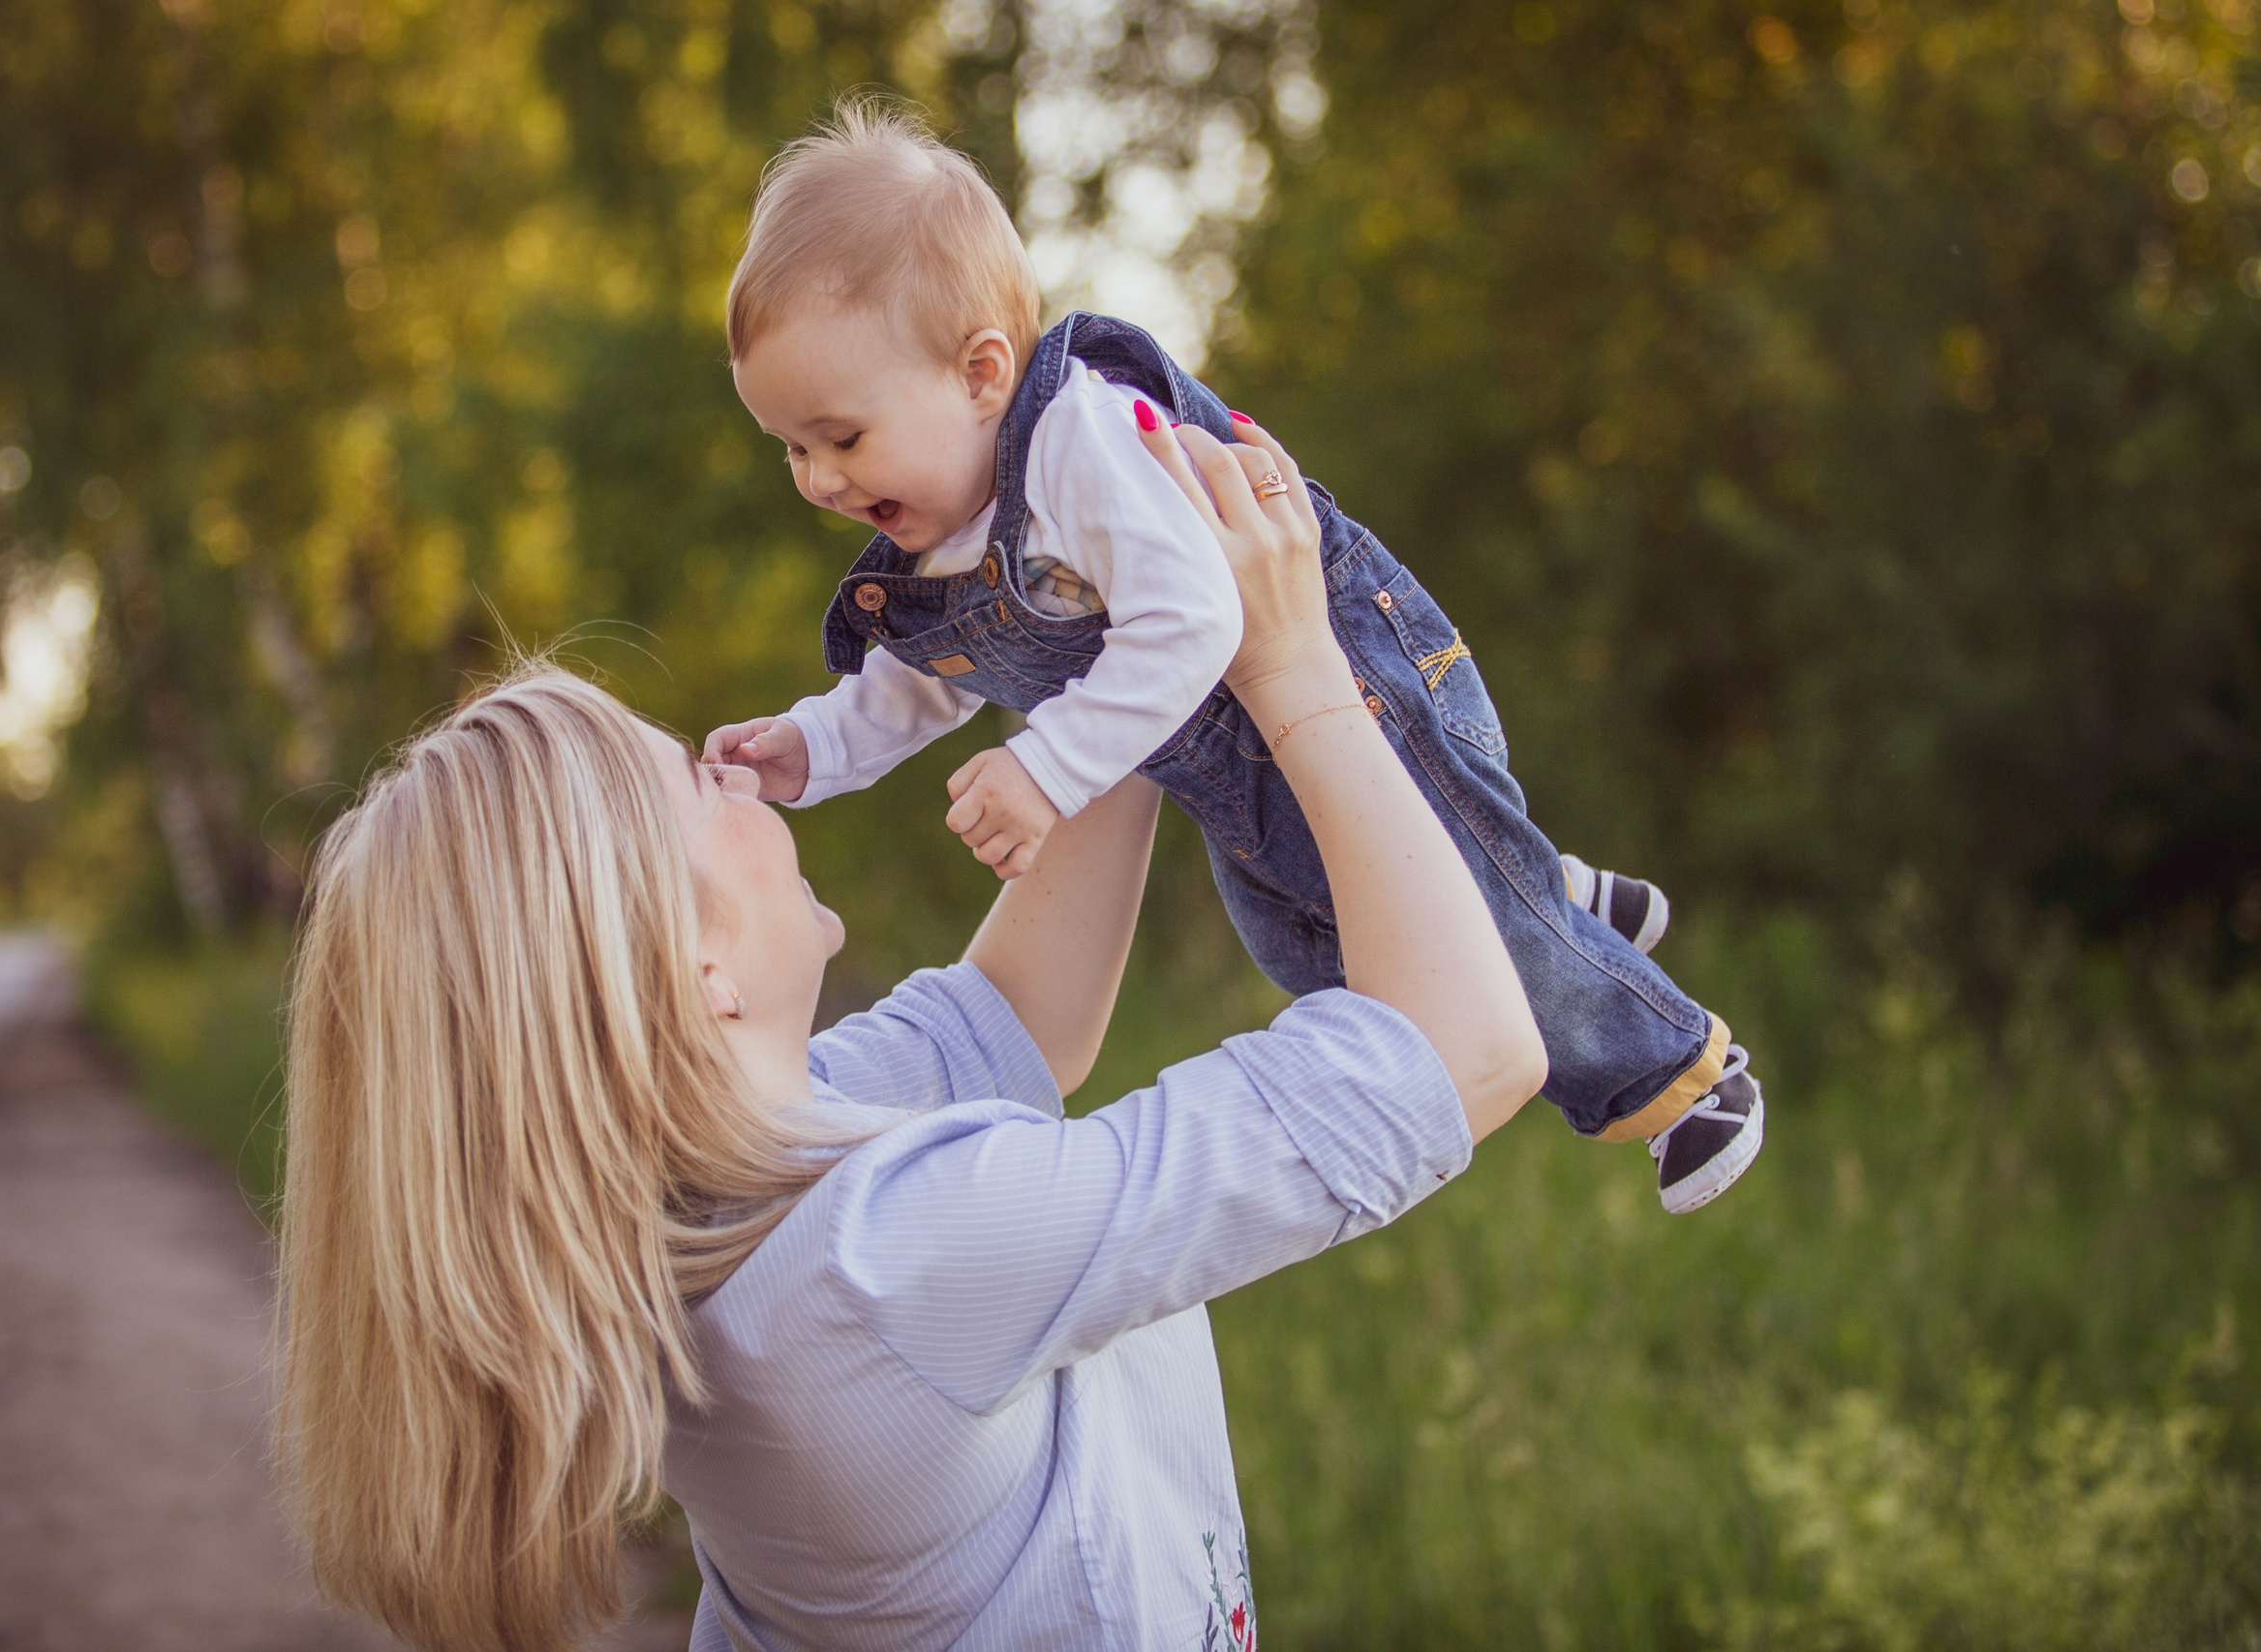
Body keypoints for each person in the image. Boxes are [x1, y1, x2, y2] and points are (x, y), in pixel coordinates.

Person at [277, 413, 1545, 1651]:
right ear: (690, 965)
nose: (730, 771)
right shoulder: (892, 1256)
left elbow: (1021, 1022)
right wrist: (1291, 666)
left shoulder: (715, 1200)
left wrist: (1104, 618)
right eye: (690, 783)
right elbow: (1464, 1046)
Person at [704, 101, 1762, 1216]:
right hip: (1237, 763)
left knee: (1466, 933)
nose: (820, 478)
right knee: (1310, 948)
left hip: (1351, 676)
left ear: (978, 374)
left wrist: (1049, 766)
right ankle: (1549, 888)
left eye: (840, 436)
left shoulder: (1081, 440)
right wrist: (807, 749)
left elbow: (1198, 614)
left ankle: (1683, 1078)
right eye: (792, 449)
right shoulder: (942, 529)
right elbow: (920, 681)